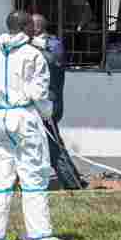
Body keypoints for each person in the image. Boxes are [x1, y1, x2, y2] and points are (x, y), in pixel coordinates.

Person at [0, 10, 66, 240]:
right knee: (33, 174)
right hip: (23, 116)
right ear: (27, 27)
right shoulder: (33, 55)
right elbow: (39, 93)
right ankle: (40, 235)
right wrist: (47, 114)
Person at [28, 13, 88, 190]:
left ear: (37, 28)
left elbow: (54, 61)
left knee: (53, 146)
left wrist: (34, 46)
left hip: (49, 105)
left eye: (28, 27)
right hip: (36, 104)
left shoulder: (54, 44)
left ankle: (73, 183)